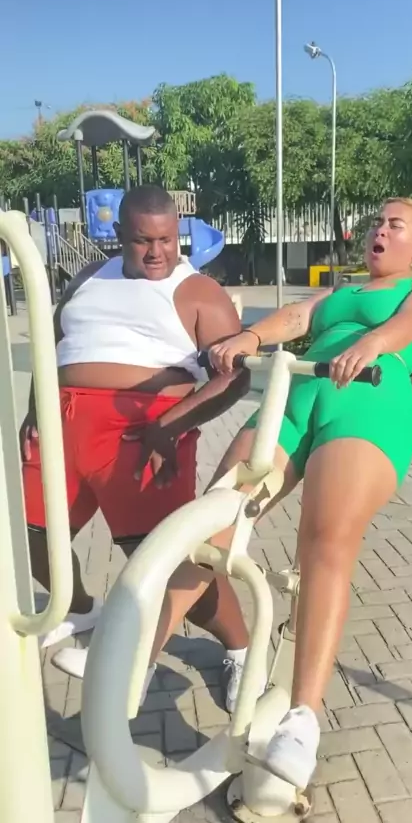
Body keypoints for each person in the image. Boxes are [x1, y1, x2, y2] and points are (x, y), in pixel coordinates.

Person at [58, 196, 412, 786]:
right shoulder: (339, 293)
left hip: (367, 401)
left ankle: (302, 721)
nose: (380, 230)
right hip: (295, 398)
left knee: (323, 543)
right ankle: (134, 664)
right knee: (208, 529)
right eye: (377, 221)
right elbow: (294, 320)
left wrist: (373, 344)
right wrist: (247, 339)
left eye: (395, 225)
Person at [22, 184, 255, 709]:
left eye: (167, 239)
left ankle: (240, 648)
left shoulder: (199, 292)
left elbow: (236, 378)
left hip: (144, 433)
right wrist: (35, 410)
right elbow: (50, 346)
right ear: (118, 235)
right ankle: (81, 609)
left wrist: (169, 426)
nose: (156, 252)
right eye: (142, 241)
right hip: (63, 423)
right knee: (35, 538)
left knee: (165, 563)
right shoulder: (87, 278)